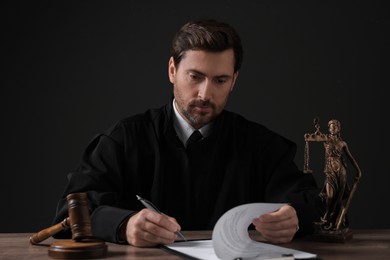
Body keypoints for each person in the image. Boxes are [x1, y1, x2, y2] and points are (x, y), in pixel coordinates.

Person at [53, 19, 322, 247]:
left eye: (220, 80)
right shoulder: (124, 139)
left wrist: (294, 215)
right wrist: (123, 225)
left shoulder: (262, 146)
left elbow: (310, 201)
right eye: (195, 76)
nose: (205, 94)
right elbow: (69, 211)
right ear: (172, 70)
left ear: (234, 80)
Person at [319, 119, 362, 230]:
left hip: (341, 171)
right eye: (331, 127)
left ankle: (335, 221)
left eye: (335, 127)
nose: (333, 128)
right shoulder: (326, 139)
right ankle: (327, 216)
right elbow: (316, 136)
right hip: (330, 171)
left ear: (338, 129)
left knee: (339, 198)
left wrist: (358, 170)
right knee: (330, 196)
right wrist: (315, 130)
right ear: (328, 129)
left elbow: (351, 158)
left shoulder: (342, 143)